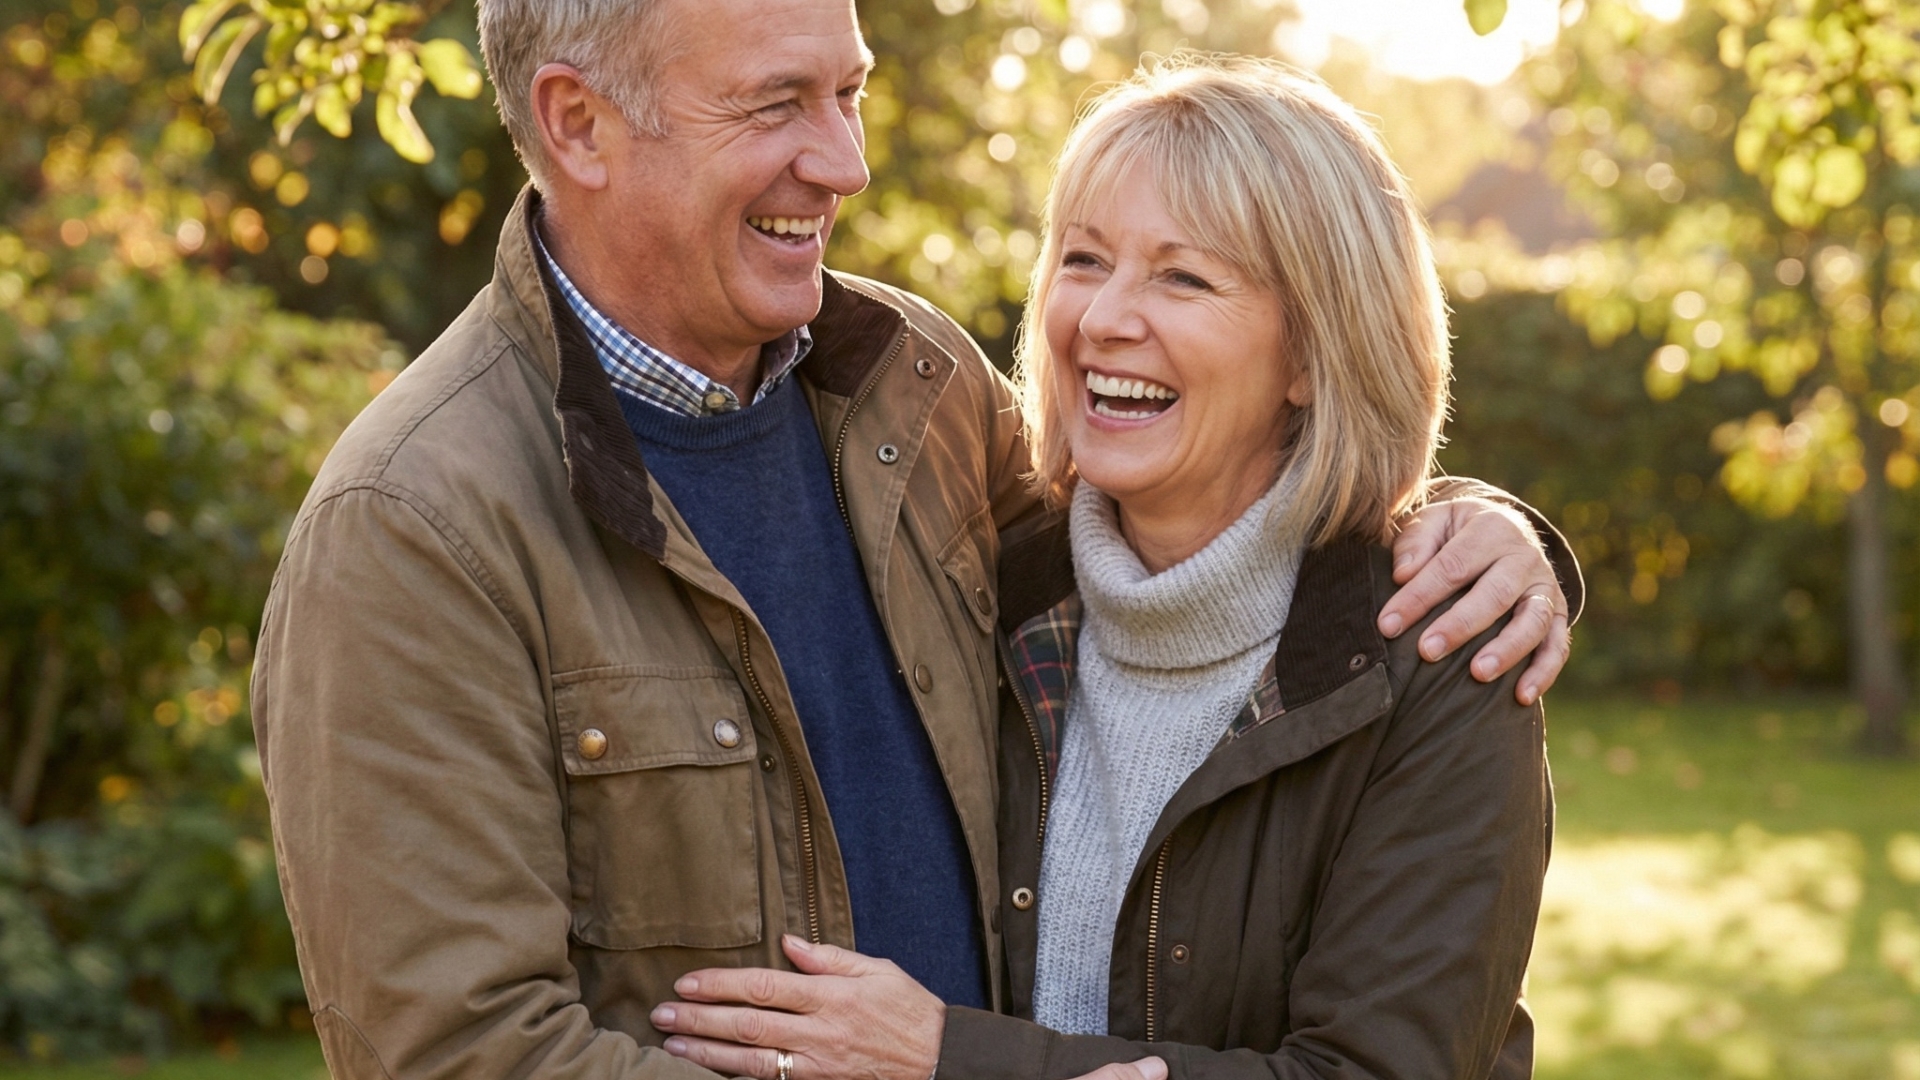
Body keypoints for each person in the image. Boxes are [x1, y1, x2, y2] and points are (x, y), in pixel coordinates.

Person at [250, 2, 1574, 1076]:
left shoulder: (913, 393)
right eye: (776, 103)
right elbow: (465, 1053)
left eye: (849, 94)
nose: (844, 163)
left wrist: (1482, 526)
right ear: (580, 124)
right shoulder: (417, 529)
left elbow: (1226, 524)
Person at [648, 54, 1553, 1080]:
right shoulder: (989, 585)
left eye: (1184, 276)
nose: (1105, 319)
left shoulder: (1440, 659)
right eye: (1084, 261)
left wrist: (950, 1060)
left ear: (1312, 355)